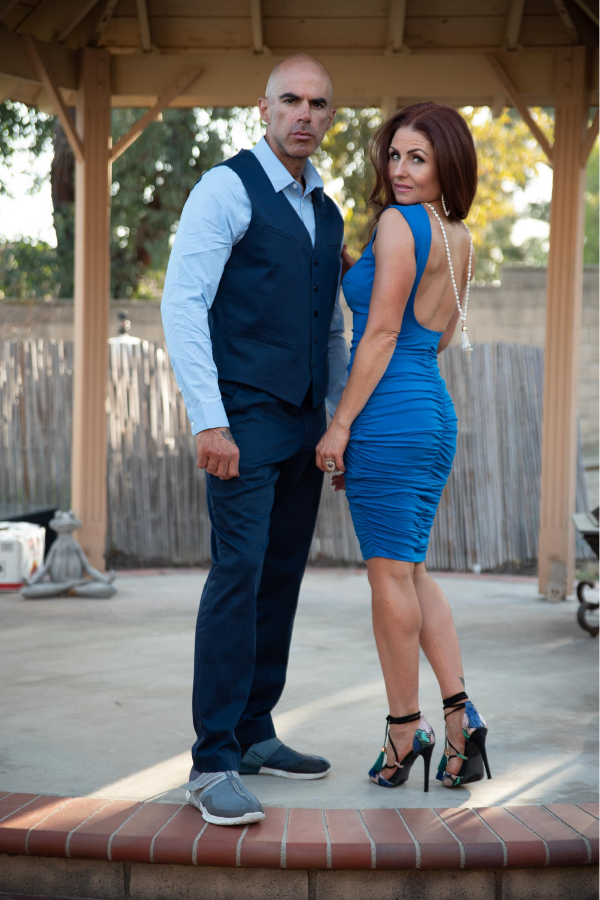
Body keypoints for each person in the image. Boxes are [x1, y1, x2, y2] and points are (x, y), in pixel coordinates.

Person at [161, 54, 349, 826]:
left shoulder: (326, 211)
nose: (304, 114)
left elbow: (330, 326)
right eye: (291, 100)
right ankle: (211, 763)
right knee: (237, 575)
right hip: (241, 418)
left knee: (280, 577)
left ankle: (253, 732)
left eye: (318, 104)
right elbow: (183, 302)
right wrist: (208, 420)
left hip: (304, 424)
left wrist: (336, 420)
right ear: (263, 109)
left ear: (329, 117)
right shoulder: (226, 188)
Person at [316, 103, 491, 792]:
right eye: (393, 156)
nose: (400, 169)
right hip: (431, 409)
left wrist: (341, 426)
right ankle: (461, 718)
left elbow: (383, 334)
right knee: (411, 570)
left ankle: (403, 729)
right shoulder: (458, 234)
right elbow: (436, 335)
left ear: (448, 163)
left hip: (388, 412)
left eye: (417, 157)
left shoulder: (397, 223)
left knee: (388, 576)